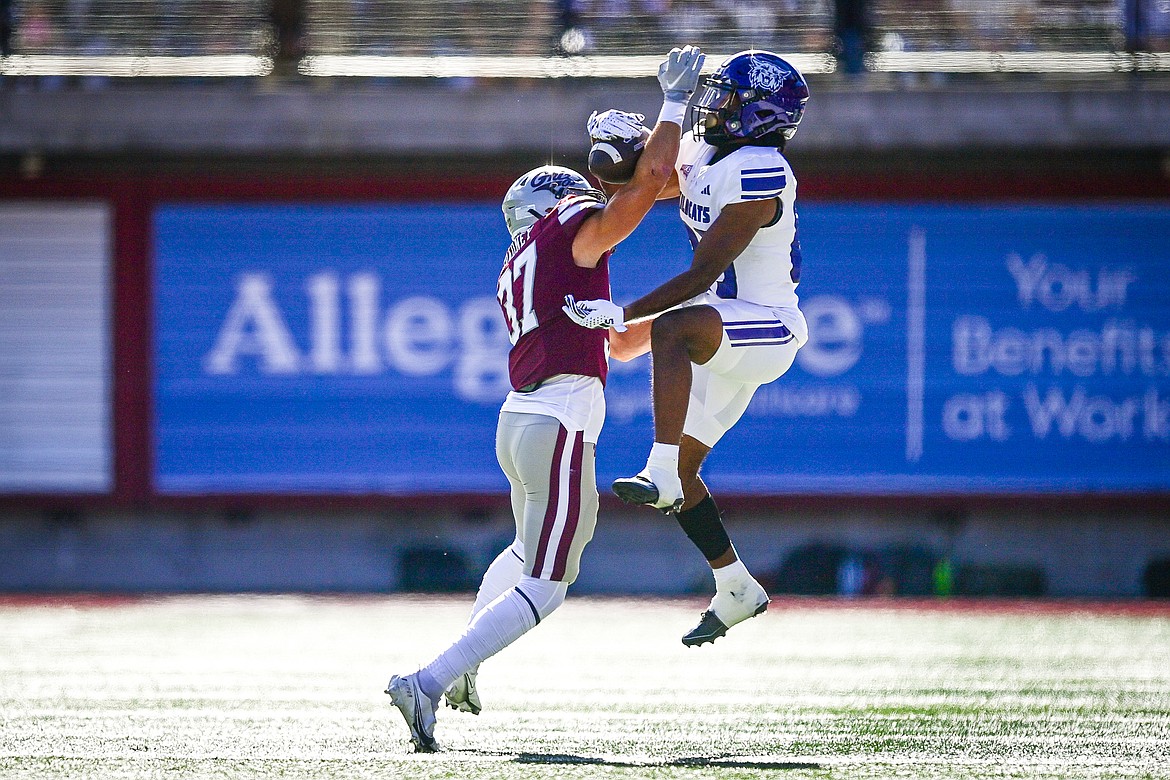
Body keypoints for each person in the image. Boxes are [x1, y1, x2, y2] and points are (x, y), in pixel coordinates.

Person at [384, 45, 706, 753]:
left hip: (526, 418)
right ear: (548, 206)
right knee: (552, 581)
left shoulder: (526, 257)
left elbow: (617, 343)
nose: (583, 197)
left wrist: (678, 309)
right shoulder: (569, 236)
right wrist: (674, 106)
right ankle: (430, 679)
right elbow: (649, 182)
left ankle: (459, 670)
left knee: (531, 553)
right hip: (556, 417)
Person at [562, 50, 810, 648]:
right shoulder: (714, 152)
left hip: (766, 324)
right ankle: (736, 586)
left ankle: (660, 465)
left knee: (668, 332)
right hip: (726, 322)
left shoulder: (761, 169)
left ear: (760, 114)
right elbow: (651, 180)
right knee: (685, 465)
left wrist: (625, 310)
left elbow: (702, 275)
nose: (713, 105)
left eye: (726, 97)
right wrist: (624, 150)